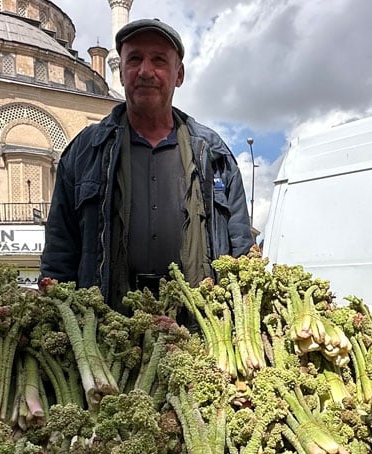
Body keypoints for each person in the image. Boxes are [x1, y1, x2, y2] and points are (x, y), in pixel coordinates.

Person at [39, 17, 254, 307]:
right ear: (122, 72)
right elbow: (59, 257)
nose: (145, 71)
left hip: (195, 333)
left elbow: (241, 252)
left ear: (179, 74)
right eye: (135, 59)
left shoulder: (214, 154)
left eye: (158, 60)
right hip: (108, 334)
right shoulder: (85, 152)